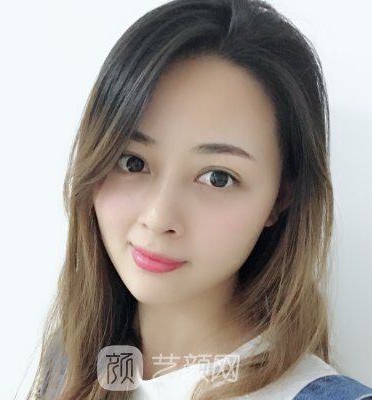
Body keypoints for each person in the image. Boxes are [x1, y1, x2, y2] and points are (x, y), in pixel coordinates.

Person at [25, 0, 372, 399]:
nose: (158, 217)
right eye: (133, 162)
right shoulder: (73, 364)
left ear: (280, 199)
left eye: (217, 178)